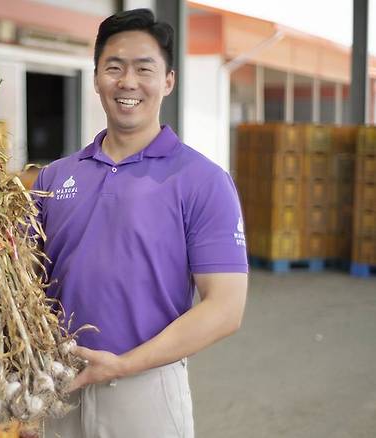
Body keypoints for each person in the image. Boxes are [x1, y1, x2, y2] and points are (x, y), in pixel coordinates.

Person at [32, 8, 249, 438]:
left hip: (145, 390)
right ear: (96, 78)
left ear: (168, 81)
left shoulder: (202, 181)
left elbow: (225, 308)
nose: (128, 82)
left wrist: (125, 364)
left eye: (144, 69)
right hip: (55, 385)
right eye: (114, 67)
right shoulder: (55, 177)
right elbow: (23, 280)